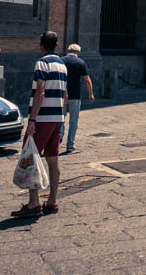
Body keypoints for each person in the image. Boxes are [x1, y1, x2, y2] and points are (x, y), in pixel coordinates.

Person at [13, 31, 68, 218]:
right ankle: (52, 201)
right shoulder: (62, 65)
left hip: (43, 117)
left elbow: (41, 92)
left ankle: (34, 203)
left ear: (41, 45)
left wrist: (33, 119)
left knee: (30, 154)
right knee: (53, 157)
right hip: (57, 117)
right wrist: (60, 114)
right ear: (57, 45)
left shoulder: (42, 62)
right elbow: (65, 94)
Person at [60, 44, 94, 154]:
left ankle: (57, 141)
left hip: (61, 95)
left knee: (60, 119)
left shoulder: (61, 61)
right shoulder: (80, 63)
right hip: (75, 96)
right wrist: (90, 94)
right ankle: (70, 146)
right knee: (73, 121)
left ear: (68, 50)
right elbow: (87, 80)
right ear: (78, 52)